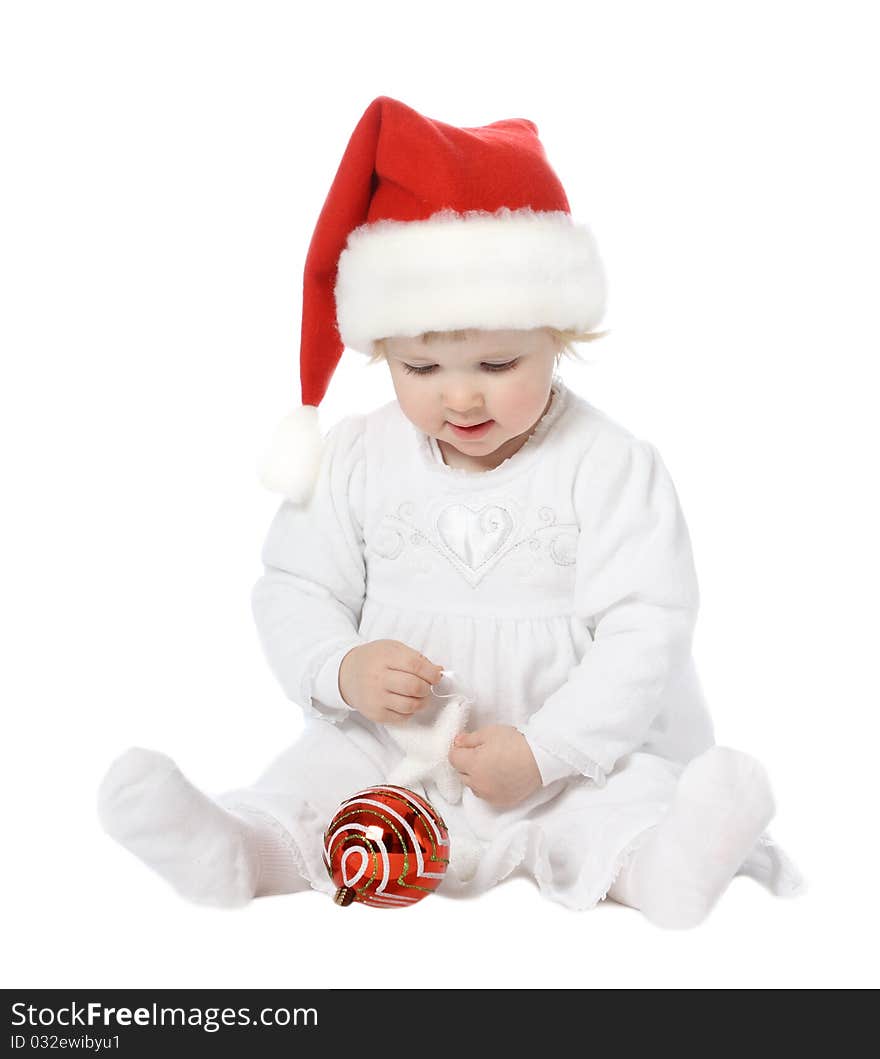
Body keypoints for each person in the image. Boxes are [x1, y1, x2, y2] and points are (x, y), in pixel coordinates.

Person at [97, 96, 803, 928]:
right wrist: (342, 668)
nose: (460, 394)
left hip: (569, 753)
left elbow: (645, 627)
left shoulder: (609, 464)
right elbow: (294, 586)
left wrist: (544, 752)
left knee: (616, 804)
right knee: (316, 778)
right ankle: (237, 848)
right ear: (383, 349)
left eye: (499, 361)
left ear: (558, 332)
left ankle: (669, 867)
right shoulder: (361, 457)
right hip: (389, 743)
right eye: (422, 366)